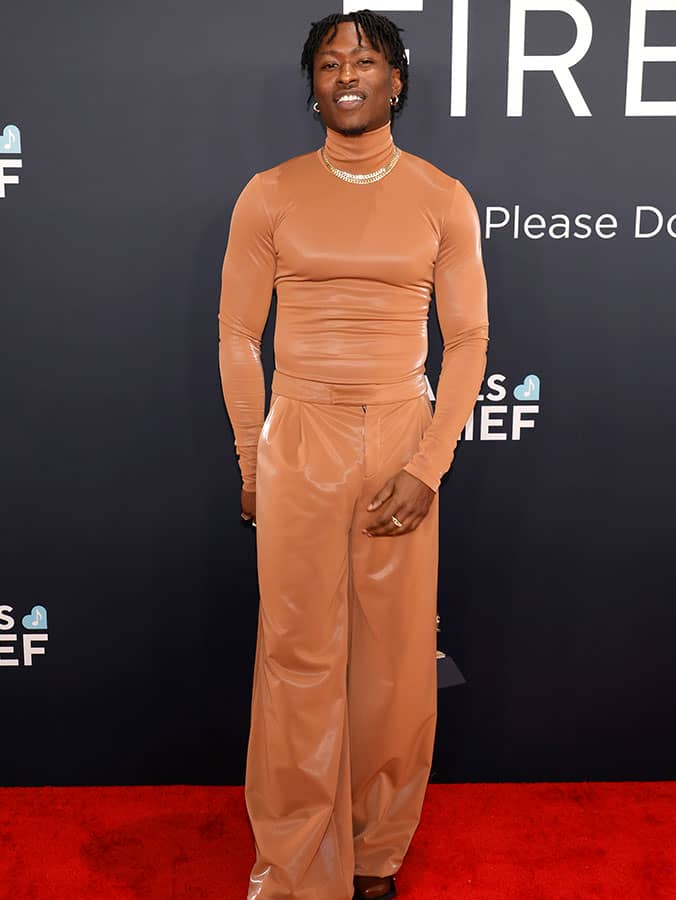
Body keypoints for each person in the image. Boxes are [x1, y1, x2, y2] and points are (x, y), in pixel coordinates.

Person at [218, 10, 489, 900]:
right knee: (296, 658)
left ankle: (375, 854)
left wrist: (428, 466)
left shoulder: (443, 196)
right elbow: (236, 336)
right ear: (313, 85)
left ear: (395, 81)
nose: (347, 74)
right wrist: (253, 464)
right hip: (299, 434)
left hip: (401, 439)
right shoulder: (269, 193)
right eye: (330, 62)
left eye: (366, 60)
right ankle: (296, 863)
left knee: (395, 667)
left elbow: (469, 339)